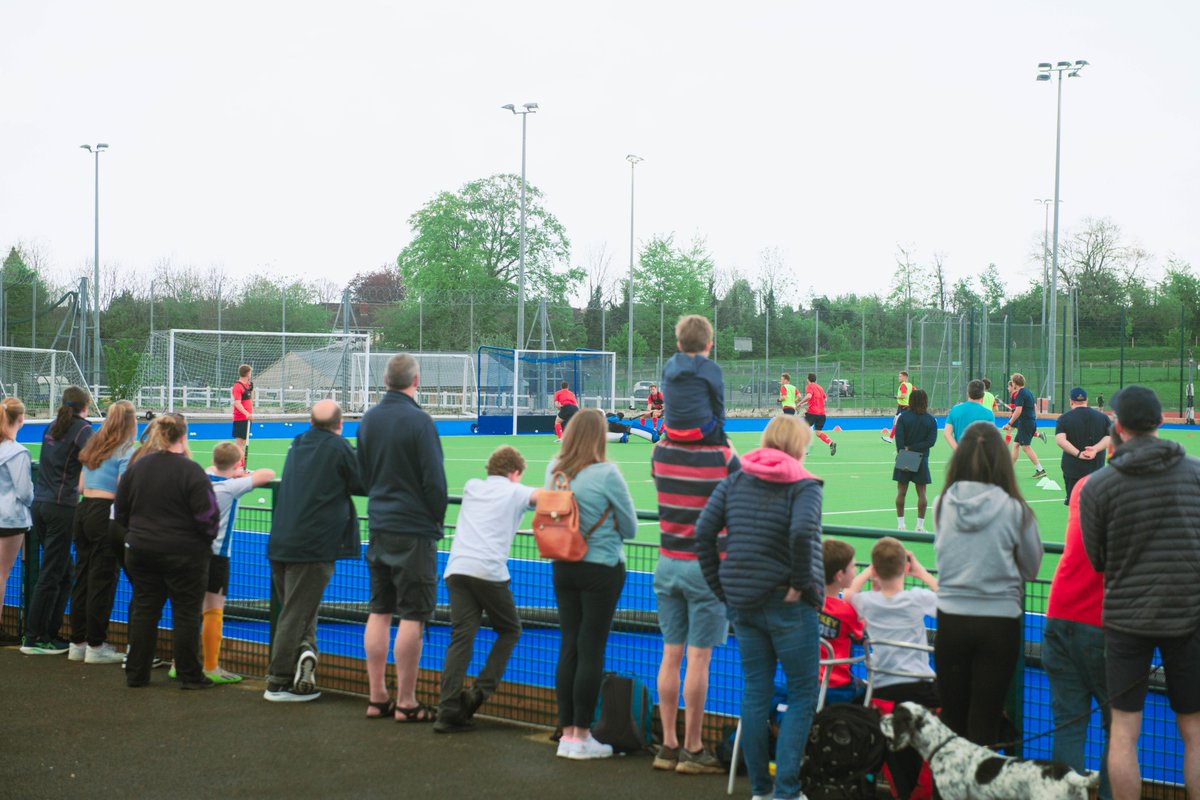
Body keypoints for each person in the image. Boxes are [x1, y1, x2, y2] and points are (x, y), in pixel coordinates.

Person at [1080, 386, 1200, 800]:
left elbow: (1098, 560)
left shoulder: (1100, 485)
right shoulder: (1196, 472)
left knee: (1124, 732)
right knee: (1195, 731)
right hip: (1189, 615)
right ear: (1160, 423)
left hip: (1126, 620)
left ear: (1117, 426)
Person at [695, 415, 825, 800]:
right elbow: (803, 533)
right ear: (799, 446)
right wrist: (802, 584)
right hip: (789, 603)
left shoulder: (735, 478)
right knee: (802, 695)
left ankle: (763, 791)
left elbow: (703, 532)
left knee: (755, 692)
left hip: (743, 600)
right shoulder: (804, 485)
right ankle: (787, 791)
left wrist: (722, 587)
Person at [933, 421, 1042, 745]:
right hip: (999, 620)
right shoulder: (1015, 510)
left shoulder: (943, 504)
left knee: (952, 720)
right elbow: (1032, 567)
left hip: (952, 618)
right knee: (986, 720)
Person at [358, 354, 448, 722]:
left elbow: (363, 475)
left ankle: (377, 696)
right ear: (416, 380)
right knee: (413, 614)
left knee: (379, 610)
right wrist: (434, 521)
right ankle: (406, 701)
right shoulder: (420, 421)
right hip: (414, 531)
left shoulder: (368, 419)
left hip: (380, 525)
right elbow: (434, 482)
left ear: (385, 379)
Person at [650, 411, 741, 773]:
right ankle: (693, 748)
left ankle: (668, 746)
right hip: (706, 566)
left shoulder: (659, 452)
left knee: (671, 654)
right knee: (698, 658)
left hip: (668, 560)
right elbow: (741, 488)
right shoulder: (722, 455)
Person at [545, 409, 637, 760]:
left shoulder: (555, 470)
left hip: (562, 565)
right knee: (591, 648)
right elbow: (629, 528)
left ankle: (567, 731)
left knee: (569, 645)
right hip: (600, 568)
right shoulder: (606, 473)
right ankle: (582, 734)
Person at [434, 445, 538, 733]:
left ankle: (447, 709)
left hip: (457, 568)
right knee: (510, 629)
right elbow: (544, 498)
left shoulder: (471, 487)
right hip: (489, 571)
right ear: (515, 473)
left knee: (461, 636)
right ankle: (477, 694)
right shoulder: (516, 491)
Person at [265, 400, 363, 702]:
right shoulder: (338, 447)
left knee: (299, 609)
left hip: (281, 542)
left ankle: (305, 654)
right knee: (296, 613)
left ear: (309, 422)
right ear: (340, 425)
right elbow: (364, 483)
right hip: (313, 547)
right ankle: (278, 682)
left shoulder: (297, 444)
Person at [115, 415, 221, 688]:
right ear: (183, 437)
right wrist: (201, 543)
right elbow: (208, 516)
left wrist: (135, 535)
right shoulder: (192, 471)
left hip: (141, 550)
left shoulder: (136, 468)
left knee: (144, 611)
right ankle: (189, 675)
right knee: (185, 613)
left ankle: (136, 673)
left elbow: (122, 510)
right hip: (184, 554)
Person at [845, 537, 939, 800]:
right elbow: (948, 599)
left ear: (875, 570)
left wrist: (868, 571)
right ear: (905, 569)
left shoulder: (866, 601)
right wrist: (921, 572)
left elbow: (848, 594)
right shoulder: (917, 598)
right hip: (921, 687)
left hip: (882, 689)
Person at [1044, 474, 1111, 800]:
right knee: (1120, 732)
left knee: (1069, 725)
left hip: (1061, 612)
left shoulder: (1085, 485)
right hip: (1105, 624)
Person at [21, 386, 93, 655]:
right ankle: (34, 637)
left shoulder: (51, 427)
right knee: (52, 573)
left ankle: (49, 633)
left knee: (64, 572)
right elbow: (95, 458)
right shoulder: (83, 430)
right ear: (84, 406)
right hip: (61, 508)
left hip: (41, 505)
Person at [68, 399, 137, 665]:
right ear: (131, 421)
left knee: (83, 575)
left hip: (84, 510)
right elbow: (124, 487)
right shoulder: (127, 448)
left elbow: (82, 485)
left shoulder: (94, 443)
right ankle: (96, 645)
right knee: (103, 579)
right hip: (105, 512)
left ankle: (78, 642)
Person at [199, 442, 275, 683]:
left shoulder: (201, 477)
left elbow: (211, 468)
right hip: (217, 555)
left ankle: (181, 663)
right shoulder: (232, 487)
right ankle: (210, 667)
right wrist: (240, 474)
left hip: (191, 552)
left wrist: (232, 470)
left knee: (189, 609)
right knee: (213, 610)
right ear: (237, 464)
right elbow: (267, 474)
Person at [661, 315, 726, 446]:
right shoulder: (711, 368)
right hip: (702, 431)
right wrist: (718, 425)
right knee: (732, 459)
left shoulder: (669, 365)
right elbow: (718, 404)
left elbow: (667, 396)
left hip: (671, 430)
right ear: (709, 345)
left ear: (679, 345)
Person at [0, 398, 32, 646]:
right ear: (20, 419)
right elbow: (24, 491)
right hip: (9, 518)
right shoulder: (17, 452)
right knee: (1, 575)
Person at [818, 539, 864, 706]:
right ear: (839, 575)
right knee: (867, 688)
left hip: (807, 683)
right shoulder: (846, 610)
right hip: (839, 687)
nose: (856, 570)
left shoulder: (807, 603)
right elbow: (862, 634)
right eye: (853, 567)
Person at [1054, 387, 1111, 505]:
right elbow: (1110, 438)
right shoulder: (1103, 417)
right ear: (1087, 400)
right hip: (1096, 468)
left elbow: (1060, 440)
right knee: (1096, 504)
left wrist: (1079, 454)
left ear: (1071, 401)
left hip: (1073, 469)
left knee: (1075, 505)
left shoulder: (1064, 419)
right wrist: (1095, 449)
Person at [893, 389, 936, 533]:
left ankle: (901, 525)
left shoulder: (903, 417)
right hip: (922, 458)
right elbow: (930, 442)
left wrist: (905, 452)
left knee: (901, 492)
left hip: (905, 456)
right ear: (925, 401)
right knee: (922, 493)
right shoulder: (930, 419)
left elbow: (899, 440)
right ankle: (920, 526)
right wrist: (914, 448)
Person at [1001, 372, 1047, 478]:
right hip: (1028, 422)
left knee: (1026, 447)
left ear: (1015, 383)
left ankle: (1040, 469)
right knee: (1016, 445)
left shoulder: (1021, 393)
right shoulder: (1027, 392)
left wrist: (1009, 423)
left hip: (1025, 423)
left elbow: (1018, 411)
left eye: (1012, 382)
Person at [943, 379, 996, 450]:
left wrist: (958, 450)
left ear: (968, 393)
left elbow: (947, 433)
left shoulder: (955, 410)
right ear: (983, 394)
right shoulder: (989, 414)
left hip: (961, 456)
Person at [802, 373, 837, 456]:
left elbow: (809, 396)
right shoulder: (820, 388)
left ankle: (804, 450)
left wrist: (800, 402)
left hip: (812, 413)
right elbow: (824, 398)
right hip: (821, 414)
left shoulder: (810, 386)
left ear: (808, 379)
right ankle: (831, 443)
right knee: (818, 433)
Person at [881, 370, 914, 442]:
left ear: (905, 377)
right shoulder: (910, 385)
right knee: (896, 422)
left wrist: (896, 397)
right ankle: (897, 436)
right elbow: (915, 391)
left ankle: (891, 438)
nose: (899, 378)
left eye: (900, 376)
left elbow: (903, 395)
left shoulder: (903, 385)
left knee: (897, 422)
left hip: (904, 408)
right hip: (902, 407)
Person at [231, 364, 254, 465]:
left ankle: (241, 465)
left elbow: (250, 400)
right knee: (239, 444)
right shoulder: (237, 386)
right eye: (250, 373)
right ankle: (237, 465)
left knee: (243, 443)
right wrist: (247, 414)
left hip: (247, 418)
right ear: (248, 374)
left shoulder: (248, 386)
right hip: (241, 418)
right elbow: (237, 403)